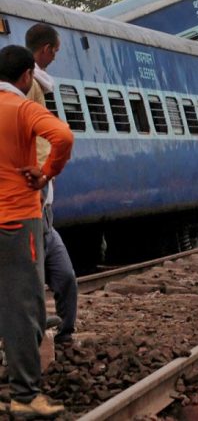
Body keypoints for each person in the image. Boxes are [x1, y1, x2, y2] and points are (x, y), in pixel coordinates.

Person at [0, 44, 73, 418]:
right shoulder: (23, 107)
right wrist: (46, 173)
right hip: (16, 219)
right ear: (27, 76)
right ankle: (25, 396)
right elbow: (63, 138)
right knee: (24, 308)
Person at [25, 23, 79, 345]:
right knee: (30, 280)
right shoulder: (27, 86)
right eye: (55, 52)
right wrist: (46, 172)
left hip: (45, 208)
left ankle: (65, 334)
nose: (55, 58)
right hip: (33, 200)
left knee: (66, 277)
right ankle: (31, 342)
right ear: (45, 50)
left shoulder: (34, 86)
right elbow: (59, 137)